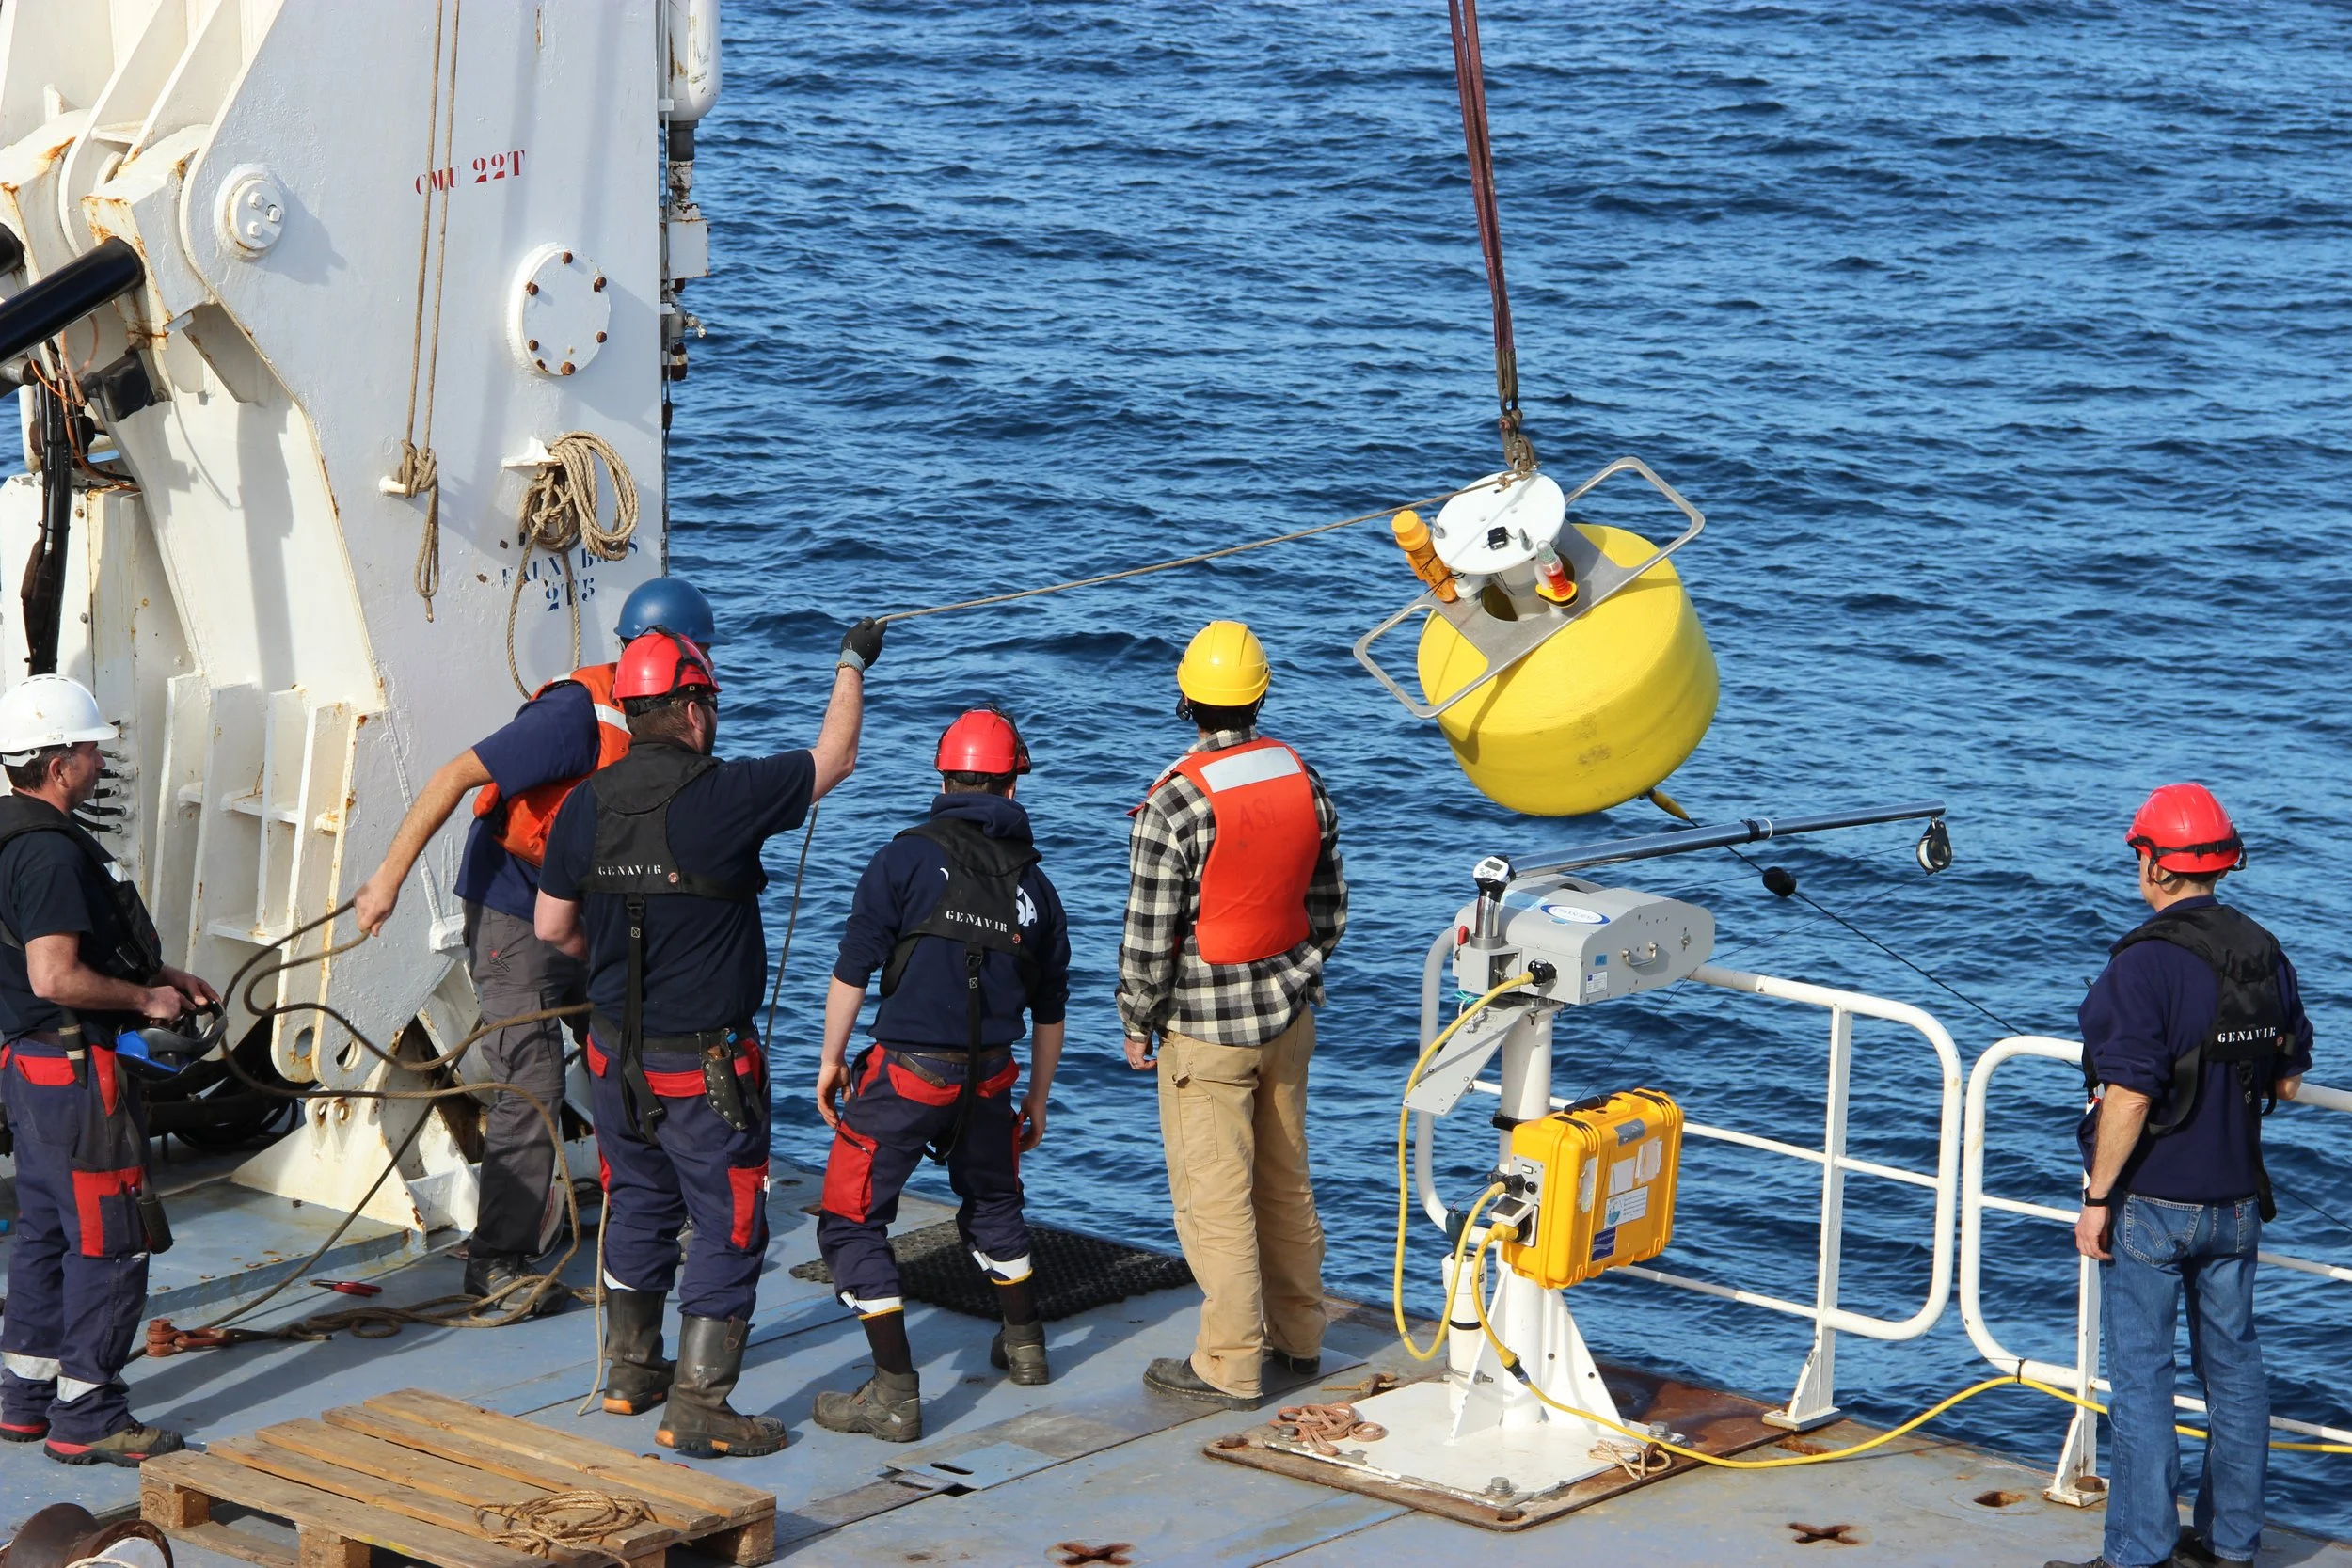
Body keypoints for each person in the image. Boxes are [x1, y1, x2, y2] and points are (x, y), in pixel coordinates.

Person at [536, 617, 881, 1457]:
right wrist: (849, 662)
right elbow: (833, 759)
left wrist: (614, 979)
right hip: (704, 1064)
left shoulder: (586, 803)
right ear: (693, 711)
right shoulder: (726, 793)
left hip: (614, 1055)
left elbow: (553, 927)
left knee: (641, 1200)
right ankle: (699, 1404)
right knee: (729, 1219)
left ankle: (628, 1370)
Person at [353, 577, 723, 1312]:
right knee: (532, 1085)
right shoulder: (572, 717)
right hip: (515, 914)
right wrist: (387, 881)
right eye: (700, 656)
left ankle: (649, 1214)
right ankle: (498, 1262)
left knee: (637, 1052)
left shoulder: (666, 719)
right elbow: (457, 774)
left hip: (590, 914)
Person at [2053, 784, 2312, 1568]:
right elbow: (2289, 1081)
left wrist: (2097, 1200)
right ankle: (2231, 1548)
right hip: (2236, 1204)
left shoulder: (2143, 963)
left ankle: (2140, 1553)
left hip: (2154, 1206)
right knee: (2235, 1374)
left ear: (2153, 863)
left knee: (2142, 1379)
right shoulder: (2264, 949)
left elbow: (2128, 1094)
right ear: (2222, 863)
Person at [811, 708, 1070, 1443]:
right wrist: (1038, 1098)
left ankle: (893, 1392)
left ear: (944, 777)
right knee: (993, 1198)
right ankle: (1025, 1347)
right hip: (990, 1080)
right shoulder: (1037, 887)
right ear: (1013, 784)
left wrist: (831, 1061)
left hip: (906, 1077)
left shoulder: (902, 859)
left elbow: (853, 970)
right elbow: (1050, 1009)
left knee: (852, 1218)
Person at [1117, 621, 1346, 1409]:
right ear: (1261, 694)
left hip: (1206, 1031)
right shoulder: (1301, 776)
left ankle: (1230, 1362)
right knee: (1285, 1181)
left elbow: (1149, 938)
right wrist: (1295, 972)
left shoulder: (1174, 801)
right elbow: (1330, 909)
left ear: (1185, 699)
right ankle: (1301, 1338)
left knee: (1215, 1196)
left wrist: (1136, 1019)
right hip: (1289, 1016)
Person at [0, 675, 218, 1466]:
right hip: (73, 1074)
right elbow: (56, 974)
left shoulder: (7, 833)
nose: (99, 761)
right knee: (111, 1237)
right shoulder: (53, 854)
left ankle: (26, 1395)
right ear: (59, 763)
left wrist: (167, 975)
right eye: (92, 749)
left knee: (46, 1231)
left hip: (27, 1067)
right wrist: (145, 999)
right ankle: (88, 1412)